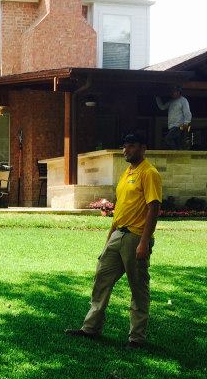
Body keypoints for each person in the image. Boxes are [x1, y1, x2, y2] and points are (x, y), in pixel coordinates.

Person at [65, 133, 162, 348]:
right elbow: (120, 209)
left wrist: (144, 242)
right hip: (118, 235)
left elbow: (154, 208)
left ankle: (136, 338)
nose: (126, 150)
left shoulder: (149, 173)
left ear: (143, 148)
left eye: (131, 146)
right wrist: (109, 237)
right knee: (101, 279)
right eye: (124, 146)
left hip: (136, 237)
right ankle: (91, 328)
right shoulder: (127, 173)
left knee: (138, 288)